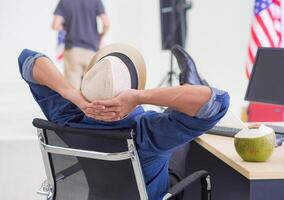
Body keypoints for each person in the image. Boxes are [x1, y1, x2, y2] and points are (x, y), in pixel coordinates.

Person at [18, 43, 229, 200]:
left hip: (101, 192)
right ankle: (189, 88)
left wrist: (72, 94)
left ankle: (186, 93)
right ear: (132, 90)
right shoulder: (146, 131)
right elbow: (218, 102)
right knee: (177, 143)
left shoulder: (68, 118)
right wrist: (140, 97)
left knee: (173, 135)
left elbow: (26, 59)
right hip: (158, 191)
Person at [52, 0, 110, 89]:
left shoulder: (64, 1)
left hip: (72, 51)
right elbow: (106, 23)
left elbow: (55, 24)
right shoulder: (95, 1)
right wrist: (100, 37)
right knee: (90, 90)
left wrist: (67, 28)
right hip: (92, 52)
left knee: (73, 91)